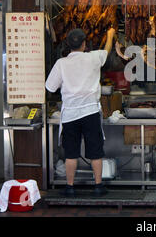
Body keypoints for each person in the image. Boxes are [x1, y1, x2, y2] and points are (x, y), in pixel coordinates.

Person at [45, 28, 116, 197]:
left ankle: (70, 187)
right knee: (95, 152)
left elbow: (50, 87)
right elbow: (106, 51)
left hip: (70, 114)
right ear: (84, 44)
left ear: (68, 45)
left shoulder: (61, 63)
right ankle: (98, 186)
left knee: (71, 153)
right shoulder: (93, 57)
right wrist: (110, 36)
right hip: (90, 112)